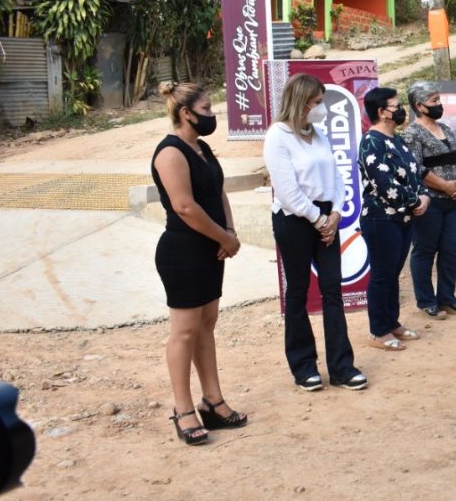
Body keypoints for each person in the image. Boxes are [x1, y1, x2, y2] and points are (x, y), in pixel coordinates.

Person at [152, 82, 247, 445]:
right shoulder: (170, 152)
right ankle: (183, 408)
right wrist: (224, 238)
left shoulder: (201, 147)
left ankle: (213, 400)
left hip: (210, 248)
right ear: (186, 113)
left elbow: (217, 191)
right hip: (184, 250)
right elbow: (185, 207)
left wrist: (229, 228)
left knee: (207, 325)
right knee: (185, 331)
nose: (212, 115)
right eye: (207, 109)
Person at [264, 73, 368, 392]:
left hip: (327, 218)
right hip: (294, 219)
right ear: (301, 102)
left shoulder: (319, 132)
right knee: (297, 292)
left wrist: (335, 213)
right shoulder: (278, 136)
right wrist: (318, 220)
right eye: (316, 102)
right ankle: (303, 366)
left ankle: (341, 366)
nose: (321, 108)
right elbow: (286, 190)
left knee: (332, 291)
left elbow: (336, 176)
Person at [358, 87, 430, 351]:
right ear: (382, 112)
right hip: (381, 220)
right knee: (382, 275)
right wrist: (414, 202)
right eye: (396, 106)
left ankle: (392, 322)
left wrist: (424, 197)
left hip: (404, 219)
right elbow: (384, 183)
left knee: (393, 274)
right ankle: (378, 331)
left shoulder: (397, 140)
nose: (401, 110)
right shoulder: (371, 142)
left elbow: (415, 173)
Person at [401, 82, 456, 320]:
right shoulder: (412, 134)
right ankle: (427, 301)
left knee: (451, 250)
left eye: (439, 99)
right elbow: (415, 168)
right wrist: (444, 186)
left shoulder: (446, 129)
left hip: (454, 201)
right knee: (425, 251)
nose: (439, 105)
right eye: (433, 101)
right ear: (419, 106)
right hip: (429, 202)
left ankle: (448, 298)